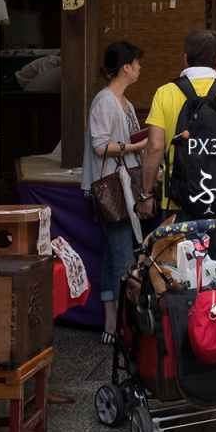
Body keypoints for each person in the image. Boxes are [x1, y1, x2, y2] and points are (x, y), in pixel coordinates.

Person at [136, 29, 216, 223]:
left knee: (179, 254)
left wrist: (146, 194)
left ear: (185, 58)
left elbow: (155, 147)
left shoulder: (165, 93)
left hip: (178, 199)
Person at [81, 41, 148, 345]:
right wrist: (135, 147)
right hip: (112, 186)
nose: (139, 68)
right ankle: (125, 324)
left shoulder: (125, 102)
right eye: (137, 63)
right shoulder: (106, 101)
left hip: (123, 184)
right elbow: (99, 146)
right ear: (126, 66)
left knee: (113, 253)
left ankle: (112, 320)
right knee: (122, 255)